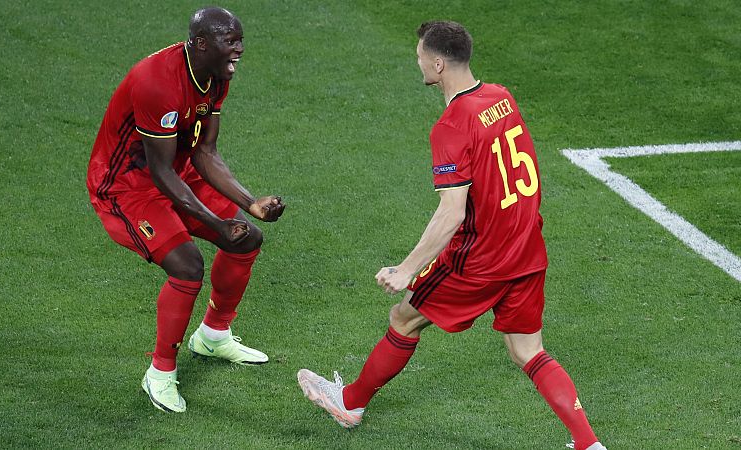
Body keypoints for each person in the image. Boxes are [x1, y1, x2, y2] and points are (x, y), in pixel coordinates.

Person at [297, 21, 605, 450]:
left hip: (480, 259)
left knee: (404, 317)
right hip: (527, 249)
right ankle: (589, 445)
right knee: (527, 351)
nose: (417, 60)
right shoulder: (501, 96)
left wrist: (407, 269)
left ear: (438, 63)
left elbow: (451, 213)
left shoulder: (451, 125)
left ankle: (350, 402)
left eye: (421, 55)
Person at [86, 6, 285, 413]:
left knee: (247, 239)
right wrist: (215, 221)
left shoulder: (215, 75)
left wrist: (249, 203)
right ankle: (159, 373)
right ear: (201, 44)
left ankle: (213, 335)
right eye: (231, 42)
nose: (240, 50)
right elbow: (159, 174)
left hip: (176, 171)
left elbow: (205, 151)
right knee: (186, 265)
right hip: (126, 186)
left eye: (240, 41)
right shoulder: (157, 82)